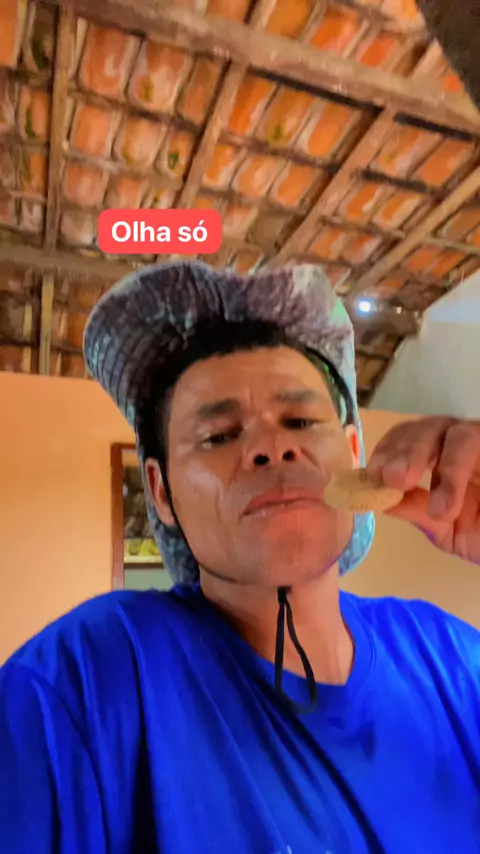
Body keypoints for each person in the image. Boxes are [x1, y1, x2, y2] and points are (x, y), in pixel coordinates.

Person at [1, 261, 480, 854]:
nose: (271, 447)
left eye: (300, 420)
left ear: (354, 451)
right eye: (219, 435)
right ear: (161, 493)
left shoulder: (454, 660)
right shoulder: (80, 682)